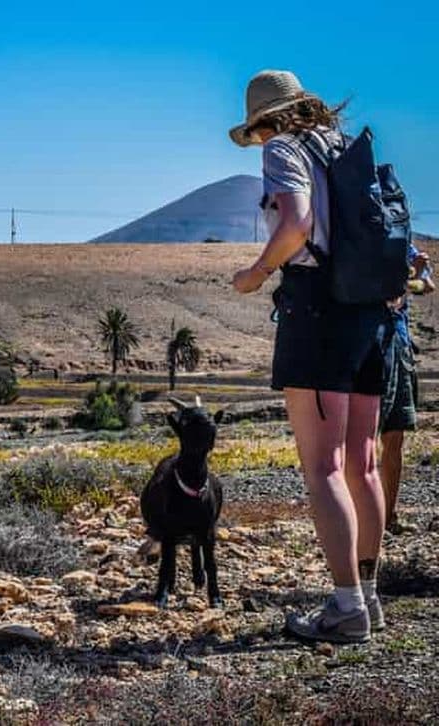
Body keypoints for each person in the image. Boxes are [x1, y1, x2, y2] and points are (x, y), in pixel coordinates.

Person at [230, 70, 391, 644]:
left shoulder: (283, 149)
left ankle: (346, 607)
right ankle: (368, 596)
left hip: (316, 310)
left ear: (265, 122)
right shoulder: (343, 147)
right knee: (363, 464)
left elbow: (297, 221)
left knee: (322, 467)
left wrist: (257, 273)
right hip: (370, 311)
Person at [380, 248, 435, 534]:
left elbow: (427, 285)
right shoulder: (360, 232)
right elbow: (389, 295)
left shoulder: (403, 240)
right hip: (368, 340)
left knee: (394, 435)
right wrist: (412, 273)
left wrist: (415, 277)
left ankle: (388, 516)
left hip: (398, 343)